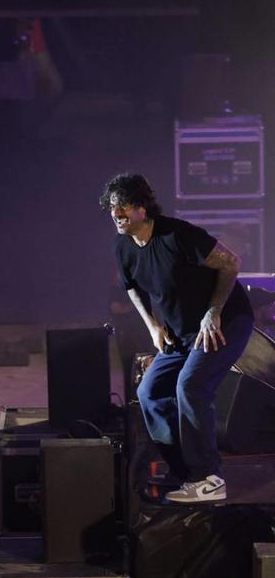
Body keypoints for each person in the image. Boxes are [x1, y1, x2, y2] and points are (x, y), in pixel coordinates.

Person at [102, 172, 254, 502]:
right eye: (113, 207)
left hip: (225, 322)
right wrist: (154, 326)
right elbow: (132, 290)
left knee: (190, 385)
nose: (117, 213)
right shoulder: (123, 246)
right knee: (150, 392)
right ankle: (188, 474)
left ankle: (210, 478)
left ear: (143, 207)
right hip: (182, 333)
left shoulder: (178, 235)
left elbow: (230, 263)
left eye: (123, 206)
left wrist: (213, 311)